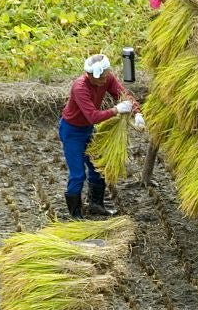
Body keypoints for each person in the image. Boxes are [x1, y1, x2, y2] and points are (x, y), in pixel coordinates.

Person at [59, 53, 145, 219]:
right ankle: (75, 215)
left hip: (88, 129)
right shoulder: (80, 88)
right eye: (100, 78)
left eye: (106, 76)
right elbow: (93, 116)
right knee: (78, 174)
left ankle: (96, 204)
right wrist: (116, 110)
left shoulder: (107, 78)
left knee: (98, 166)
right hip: (72, 131)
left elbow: (123, 94)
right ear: (90, 75)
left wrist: (137, 112)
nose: (104, 81)